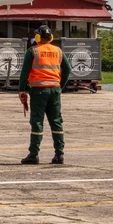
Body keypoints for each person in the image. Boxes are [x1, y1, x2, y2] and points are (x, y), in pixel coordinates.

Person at [18, 25, 72, 165]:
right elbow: (68, 69)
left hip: (38, 90)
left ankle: (34, 154)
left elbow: (24, 72)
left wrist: (21, 89)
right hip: (55, 90)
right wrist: (61, 84)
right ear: (51, 38)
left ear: (37, 37)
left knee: (37, 122)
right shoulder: (58, 51)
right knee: (56, 121)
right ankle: (59, 154)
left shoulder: (33, 51)